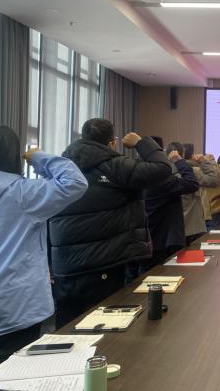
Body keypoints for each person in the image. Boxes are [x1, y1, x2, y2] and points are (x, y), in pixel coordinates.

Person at [0, 126, 88, 378]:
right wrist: (38, 156)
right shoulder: (22, 193)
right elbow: (74, 182)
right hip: (15, 303)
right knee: (9, 379)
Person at [48, 118, 173, 328]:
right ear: (112, 143)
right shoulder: (114, 165)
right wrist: (141, 142)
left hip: (65, 265)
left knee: (68, 328)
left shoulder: (60, 167)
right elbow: (162, 168)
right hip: (103, 261)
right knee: (103, 327)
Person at [143, 142, 200, 269]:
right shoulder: (161, 178)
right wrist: (179, 162)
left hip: (146, 237)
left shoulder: (137, 174)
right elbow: (192, 184)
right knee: (162, 273)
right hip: (163, 239)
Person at [181, 145, 220, 245]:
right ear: (192, 156)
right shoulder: (195, 171)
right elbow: (215, 180)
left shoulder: (171, 168)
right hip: (194, 221)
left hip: (178, 222)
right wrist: (207, 162)